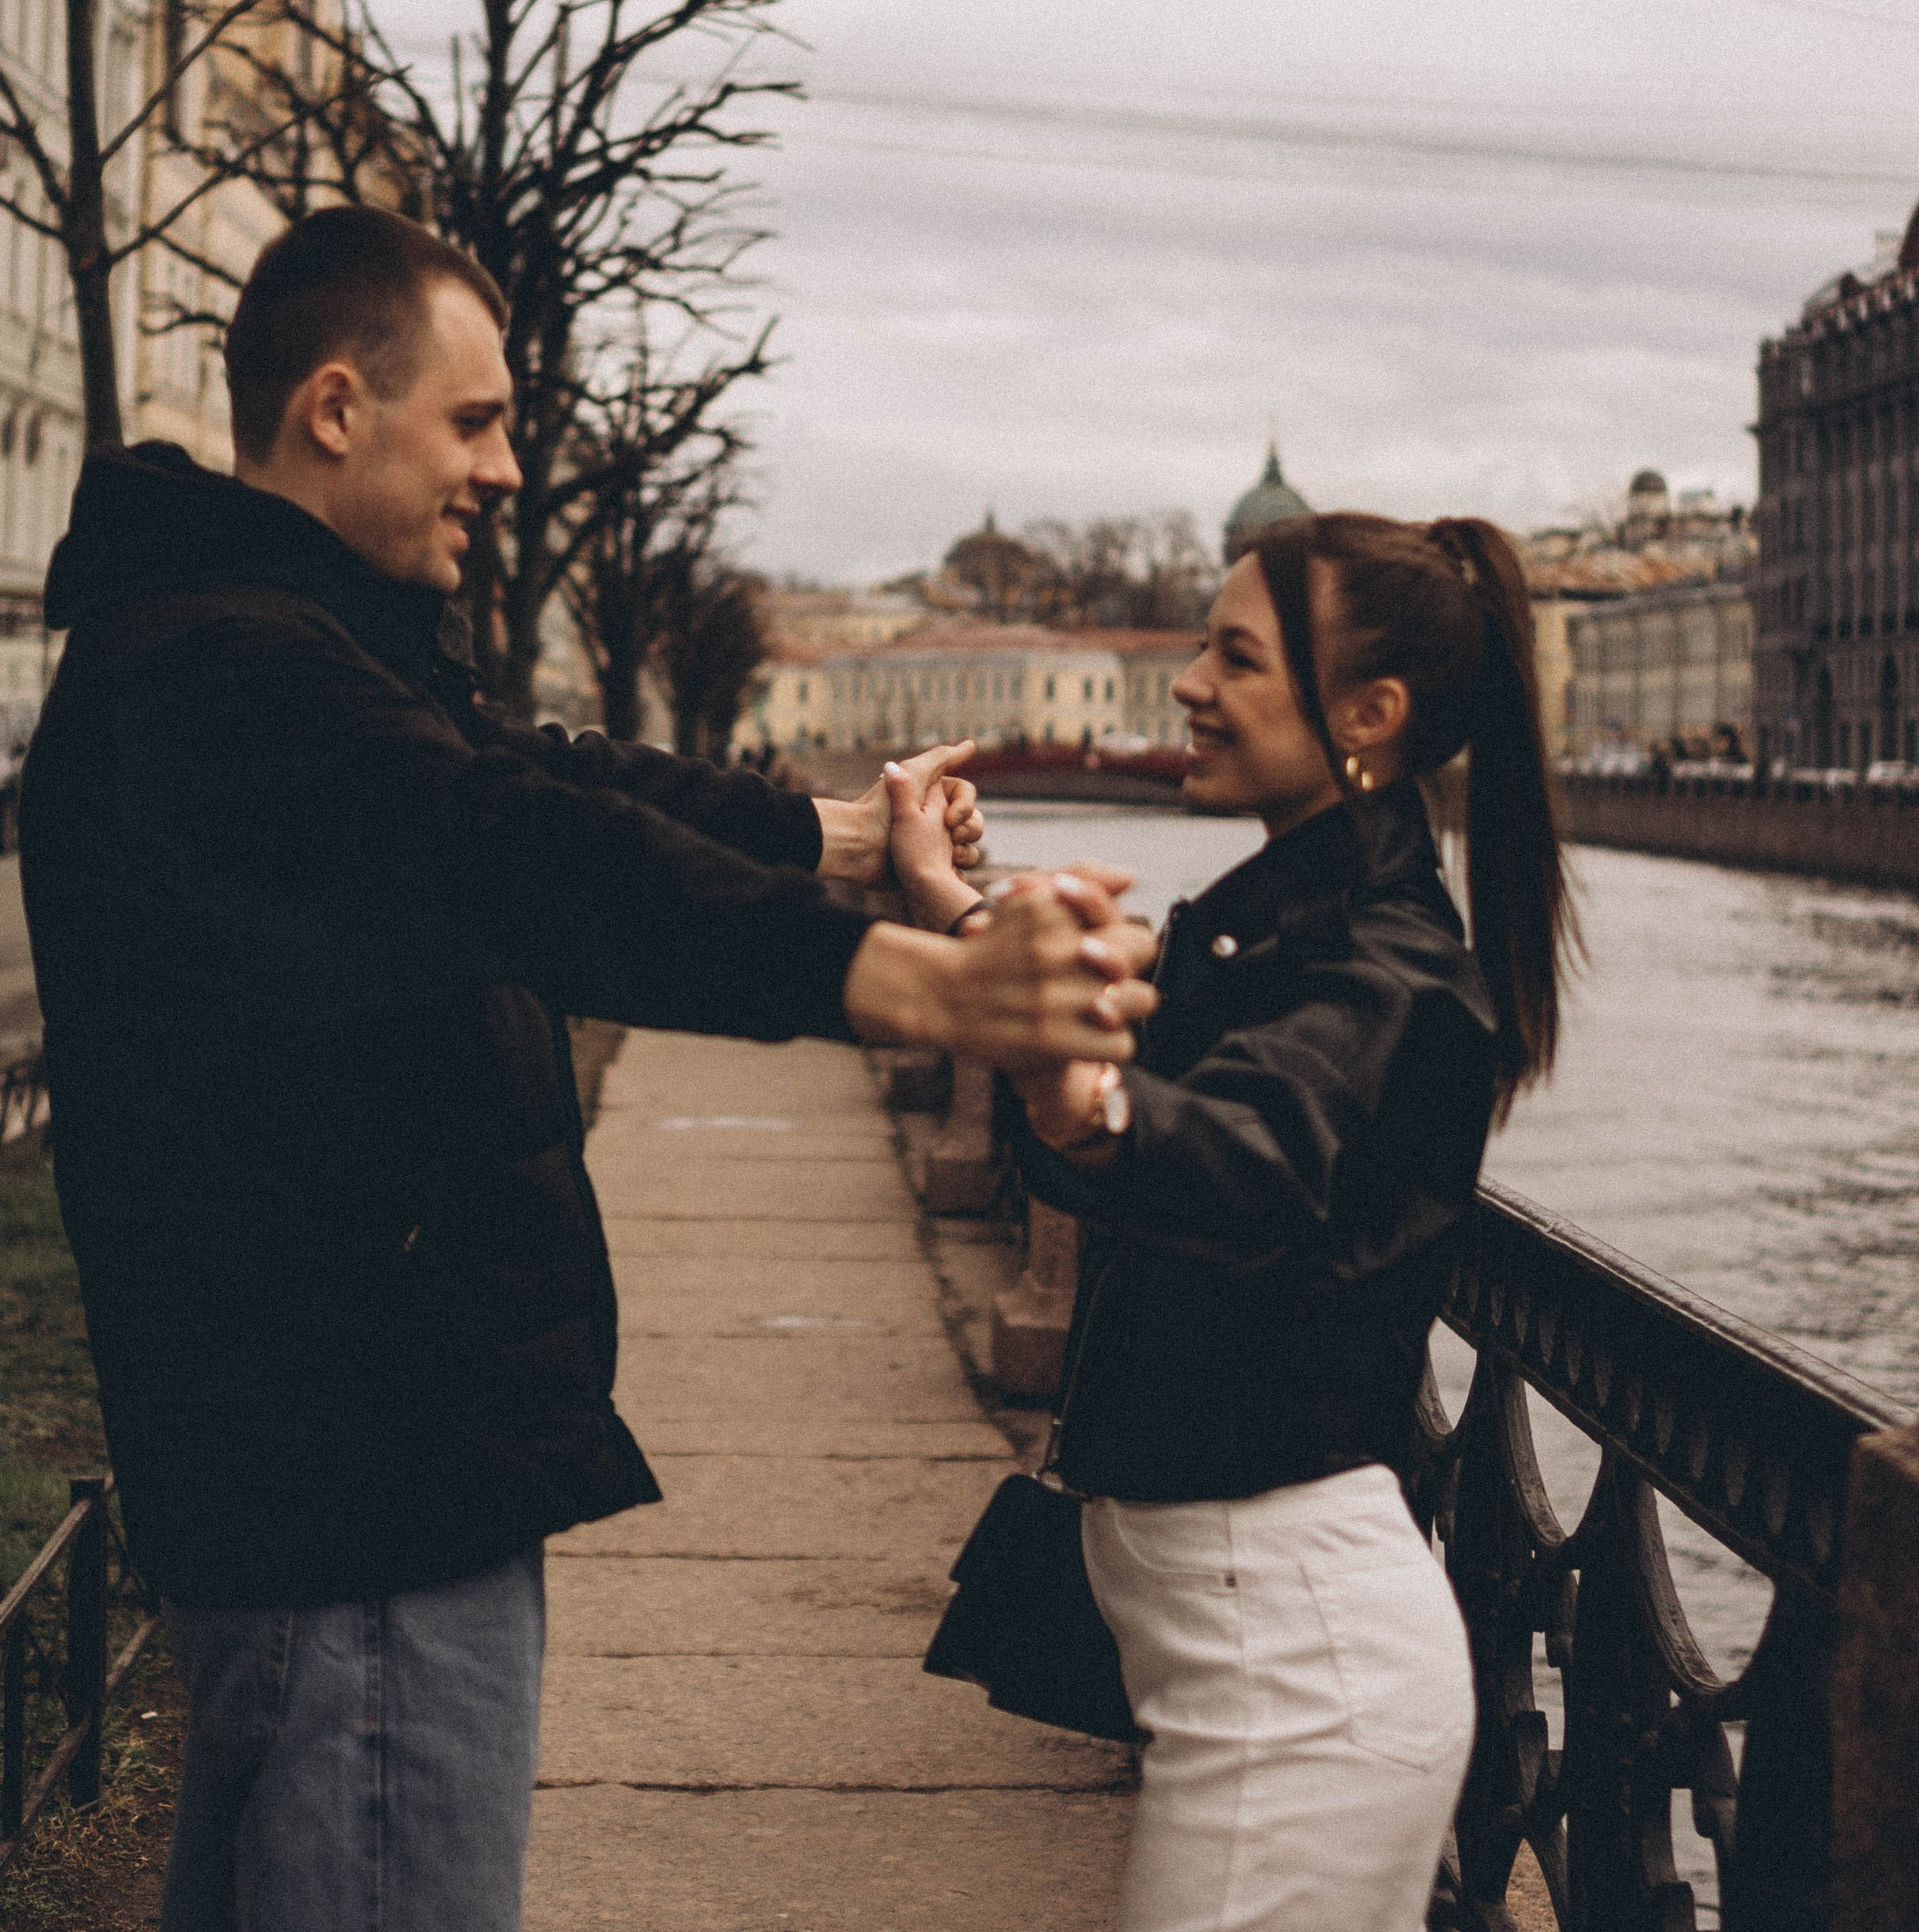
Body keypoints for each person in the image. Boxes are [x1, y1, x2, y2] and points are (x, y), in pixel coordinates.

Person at [20, 206, 1160, 1932]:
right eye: (473, 423)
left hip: (319, 1473)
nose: (505, 469)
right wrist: (930, 990)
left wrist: (843, 837)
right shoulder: (236, 670)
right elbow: (506, 848)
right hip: (368, 1484)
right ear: (336, 408)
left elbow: (538, 783)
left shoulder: (261, 637)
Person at [901, 510, 1577, 1932]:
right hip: (1248, 1656)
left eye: (1237, 656)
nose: (1188, 684)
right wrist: (957, 913)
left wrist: (1087, 1099)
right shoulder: (1279, 930)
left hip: (1298, 1687)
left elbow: (1250, 1148)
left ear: (1368, 717)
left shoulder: (1386, 975)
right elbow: (1142, 1056)